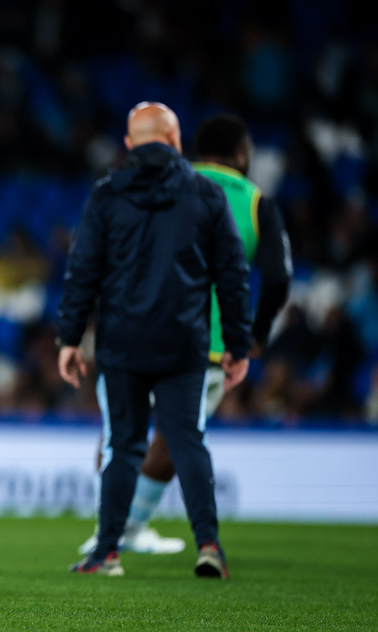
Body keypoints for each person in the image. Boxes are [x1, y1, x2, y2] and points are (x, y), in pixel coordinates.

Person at [76, 112, 293, 556]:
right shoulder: (254, 201)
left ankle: (108, 532)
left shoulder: (174, 185)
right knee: (178, 439)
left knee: (119, 433)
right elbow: (278, 277)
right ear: (240, 153)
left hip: (140, 328)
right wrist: (254, 336)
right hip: (205, 343)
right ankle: (130, 530)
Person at [56, 102, 252, 578]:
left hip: (122, 342)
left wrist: (69, 337)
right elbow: (232, 274)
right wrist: (239, 344)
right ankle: (208, 545)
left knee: (123, 446)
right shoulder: (206, 194)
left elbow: (83, 271)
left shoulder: (106, 194)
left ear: (129, 143)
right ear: (176, 140)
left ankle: (106, 553)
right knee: (188, 441)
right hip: (184, 342)